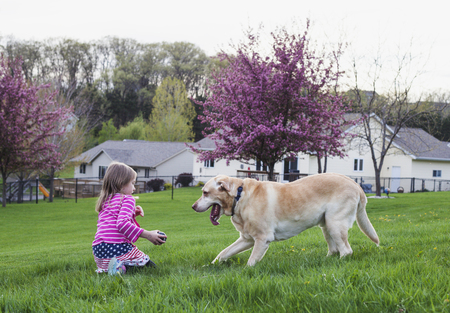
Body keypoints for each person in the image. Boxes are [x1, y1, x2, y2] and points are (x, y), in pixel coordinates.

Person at [92, 161, 167, 274]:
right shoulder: (128, 199)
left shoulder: (105, 200)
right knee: (151, 268)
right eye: (132, 183)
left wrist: (132, 214)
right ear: (122, 184)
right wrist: (148, 235)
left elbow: (113, 221)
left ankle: (114, 268)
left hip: (99, 249)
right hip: (116, 247)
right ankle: (118, 268)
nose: (134, 188)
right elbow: (122, 224)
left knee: (122, 264)